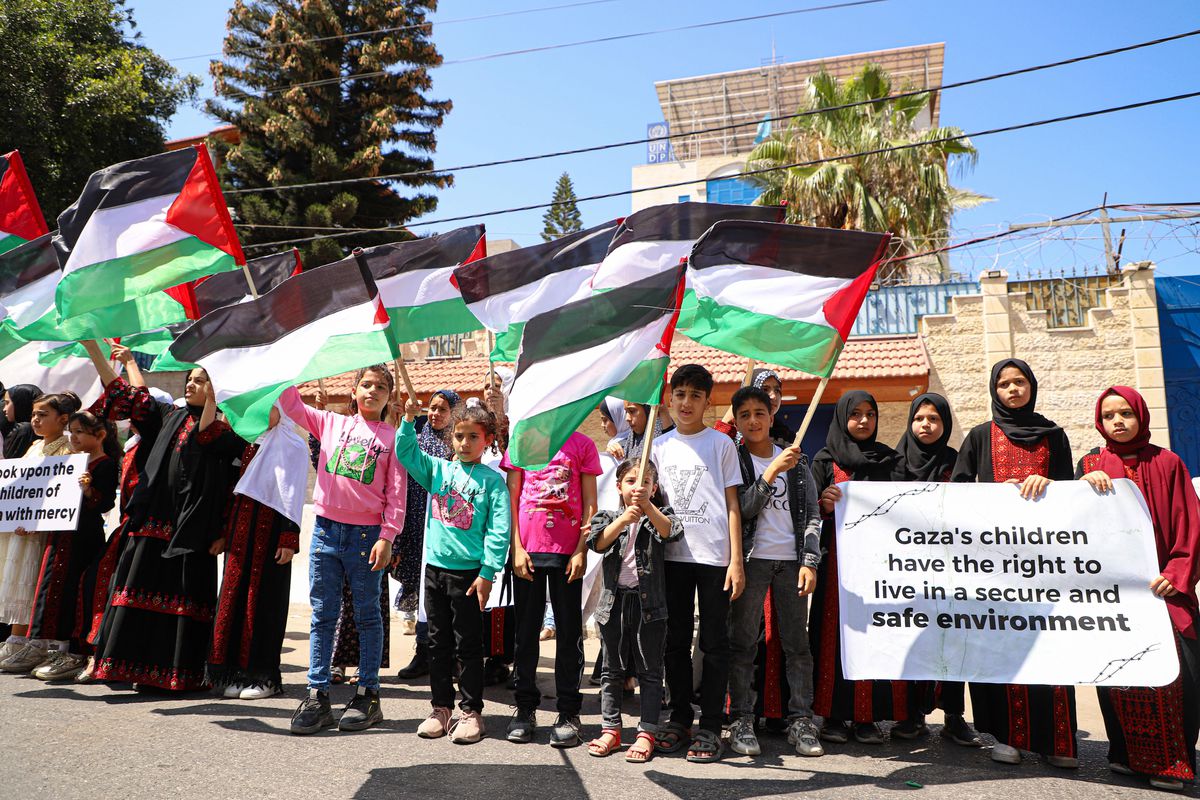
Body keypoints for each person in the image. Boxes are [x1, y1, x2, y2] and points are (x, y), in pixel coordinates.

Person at [952, 358, 1077, 768]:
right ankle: (1007, 737)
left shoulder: (1054, 435)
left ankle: (1057, 740)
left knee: (1050, 643)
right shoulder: (979, 437)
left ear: (1031, 386)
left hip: (1045, 566)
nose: (1012, 390)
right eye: (1004, 384)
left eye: (1019, 382)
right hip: (995, 567)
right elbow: (956, 495)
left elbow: (1071, 497)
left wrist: (1051, 487)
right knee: (1003, 645)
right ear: (995, 390)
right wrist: (992, 493)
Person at [1077, 386, 1200, 792]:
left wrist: (1177, 574)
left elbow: (1191, 526)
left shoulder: (1168, 463)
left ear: (1140, 416)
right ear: (1100, 421)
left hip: (1165, 591)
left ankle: (1171, 764)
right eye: (1109, 415)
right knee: (1121, 674)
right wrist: (1083, 482)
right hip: (1118, 597)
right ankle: (1126, 756)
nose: (1118, 421)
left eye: (1126, 413)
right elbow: (1075, 527)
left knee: (1177, 676)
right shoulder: (1093, 465)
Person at [93, 369, 245, 692]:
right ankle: (131, 669)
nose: (191, 384)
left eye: (201, 380)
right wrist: (100, 350)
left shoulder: (228, 432)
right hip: (152, 525)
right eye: (190, 378)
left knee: (181, 607)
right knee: (137, 599)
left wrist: (222, 532)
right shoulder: (168, 416)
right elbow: (130, 397)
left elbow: (209, 440)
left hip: (192, 533)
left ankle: (174, 678)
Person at [281, 365, 405, 735]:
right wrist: (283, 360)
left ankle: (367, 695)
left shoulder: (393, 438)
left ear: (388, 396)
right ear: (354, 391)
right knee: (322, 614)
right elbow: (290, 403)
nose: (372, 391)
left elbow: (397, 493)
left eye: (380, 387)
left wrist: (388, 536)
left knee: (367, 614)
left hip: (367, 536)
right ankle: (318, 696)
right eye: (366, 384)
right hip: (325, 532)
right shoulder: (330, 423)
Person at [397, 394, 511, 745]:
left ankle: (471, 711)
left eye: (473, 437)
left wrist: (488, 572)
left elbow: (499, 530)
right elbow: (407, 454)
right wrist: (406, 423)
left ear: (487, 440)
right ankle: (441, 708)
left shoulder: (492, 482)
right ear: (451, 438)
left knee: (469, 646)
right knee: (437, 643)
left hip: (469, 576)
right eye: (459, 436)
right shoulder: (438, 471)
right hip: (435, 570)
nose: (465, 443)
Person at [724, 385, 824, 759]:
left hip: (791, 562)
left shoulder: (796, 460)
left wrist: (809, 562)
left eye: (759, 413)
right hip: (751, 560)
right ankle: (742, 718)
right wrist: (770, 475)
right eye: (744, 414)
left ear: (771, 416)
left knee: (797, 645)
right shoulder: (733, 459)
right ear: (736, 420)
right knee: (743, 642)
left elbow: (813, 514)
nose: (753, 420)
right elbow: (743, 510)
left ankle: (801, 720)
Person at [652, 364, 744, 763]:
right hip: (670, 559)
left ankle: (710, 725)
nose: (686, 403)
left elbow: (732, 505)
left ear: (709, 401)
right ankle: (679, 717)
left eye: (695, 395)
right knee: (673, 641)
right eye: (680, 394)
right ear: (669, 399)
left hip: (713, 558)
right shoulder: (657, 448)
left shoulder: (721, 445)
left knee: (713, 643)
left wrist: (736, 560)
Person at [810, 390, 906, 745]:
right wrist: (824, 503)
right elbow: (806, 512)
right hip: (836, 566)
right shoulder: (823, 460)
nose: (864, 421)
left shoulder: (891, 461)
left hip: (881, 569)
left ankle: (867, 717)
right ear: (842, 418)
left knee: (874, 636)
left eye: (870, 414)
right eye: (856, 414)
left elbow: (907, 509)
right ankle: (833, 715)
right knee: (834, 635)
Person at [890, 393, 983, 747]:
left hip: (948, 570)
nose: (926, 425)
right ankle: (911, 715)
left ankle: (953, 717)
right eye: (919, 419)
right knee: (912, 639)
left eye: (934, 419)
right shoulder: (894, 463)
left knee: (950, 638)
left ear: (945, 425)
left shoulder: (955, 463)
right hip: (906, 570)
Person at [501, 426, 601, 747]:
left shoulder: (582, 444)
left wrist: (582, 549)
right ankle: (525, 707)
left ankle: (569, 711)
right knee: (526, 633)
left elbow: (589, 503)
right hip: (527, 551)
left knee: (569, 633)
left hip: (568, 552)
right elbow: (511, 499)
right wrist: (515, 547)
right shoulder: (522, 442)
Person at [206, 406, 306, 699]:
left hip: (272, 535)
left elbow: (293, 492)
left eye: (271, 405)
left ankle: (264, 677)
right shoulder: (250, 443)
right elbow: (229, 480)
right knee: (235, 599)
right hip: (240, 532)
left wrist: (289, 537)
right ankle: (236, 672)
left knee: (264, 603)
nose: (264, 411)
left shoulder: (293, 445)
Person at [586, 459, 683, 763]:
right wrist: (624, 520)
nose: (637, 487)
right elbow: (598, 542)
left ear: (654, 488)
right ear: (619, 487)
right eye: (630, 481)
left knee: (650, 672)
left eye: (644, 483)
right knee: (611, 671)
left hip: (649, 608)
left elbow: (671, 532)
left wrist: (647, 510)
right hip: (613, 605)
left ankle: (647, 732)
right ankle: (611, 728)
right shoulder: (608, 516)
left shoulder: (660, 515)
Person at [74, 342, 159, 683]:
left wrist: (93, 346)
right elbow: (134, 396)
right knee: (97, 583)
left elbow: (134, 397)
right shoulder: (136, 442)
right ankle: (100, 656)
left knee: (112, 589)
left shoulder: (154, 438)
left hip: (148, 531)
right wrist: (126, 361)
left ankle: (109, 660)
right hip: (127, 529)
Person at [22, 410, 119, 682]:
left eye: (79, 431)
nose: (73, 437)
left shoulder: (105, 465)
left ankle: (71, 650)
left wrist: (89, 491)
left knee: (71, 588)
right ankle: (52, 647)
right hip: (59, 533)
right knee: (51, 586)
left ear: (99, 435)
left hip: (82, 538)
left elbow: (104, 504)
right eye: (72, 431)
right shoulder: (71, 461)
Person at [0, 393, 91, 676]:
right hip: (22, 529)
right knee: (17, 578)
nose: (36, 420)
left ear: (62, 420)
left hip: (45, 532)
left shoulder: (68, 451)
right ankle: (17, 639)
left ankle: (35, 642)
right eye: (34, 414)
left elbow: (58, 495)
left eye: (43, 415)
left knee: (36, 583)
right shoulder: (34, 447)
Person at [395, 388, 461, 680]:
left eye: (442, 409)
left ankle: (454, 659)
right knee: (423, 596)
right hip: (415, 525)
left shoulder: (458, 444)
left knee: (447, 597)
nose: (435, 414)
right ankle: (424, 654)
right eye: (432, 408)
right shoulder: (418, 440)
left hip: (446, 529)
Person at [0, 383, 44, 664]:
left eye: (8, 402)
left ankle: (19, 639)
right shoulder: (31, 437)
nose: (5, 408)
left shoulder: (25, 432)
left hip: (24, 519)